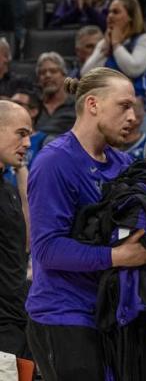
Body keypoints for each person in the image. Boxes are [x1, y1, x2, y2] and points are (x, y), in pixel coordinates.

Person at [26, 68, 146, 380]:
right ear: (92, 105)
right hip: (64, 315)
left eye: (134, 107)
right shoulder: (54, 162)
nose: (134, 116)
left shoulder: (124, 164)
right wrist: (117, 257)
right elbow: (47, 249)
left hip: (112, 313)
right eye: (124, 106)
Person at [81, 0, 146, 141]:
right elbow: (86, 75)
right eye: (109, 12)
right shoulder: (105, 43)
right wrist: (105, 49)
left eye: (116, 12)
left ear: (130, 18)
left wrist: (116, 44)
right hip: (111, 108)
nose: (110, 16)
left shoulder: (145, 40)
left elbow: (133, 69)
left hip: (141, 108)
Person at [0, 101, 31, 358]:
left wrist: (22, 175)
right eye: (21, 133)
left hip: (17, 321)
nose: (28, 143)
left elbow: (26, 245)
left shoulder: (9, 192)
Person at [35, 53, 76, 135]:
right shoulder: (34, 105)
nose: (47, 75)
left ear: (64, 76)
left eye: (53, 71)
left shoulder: (77, 105)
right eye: (42, 73)